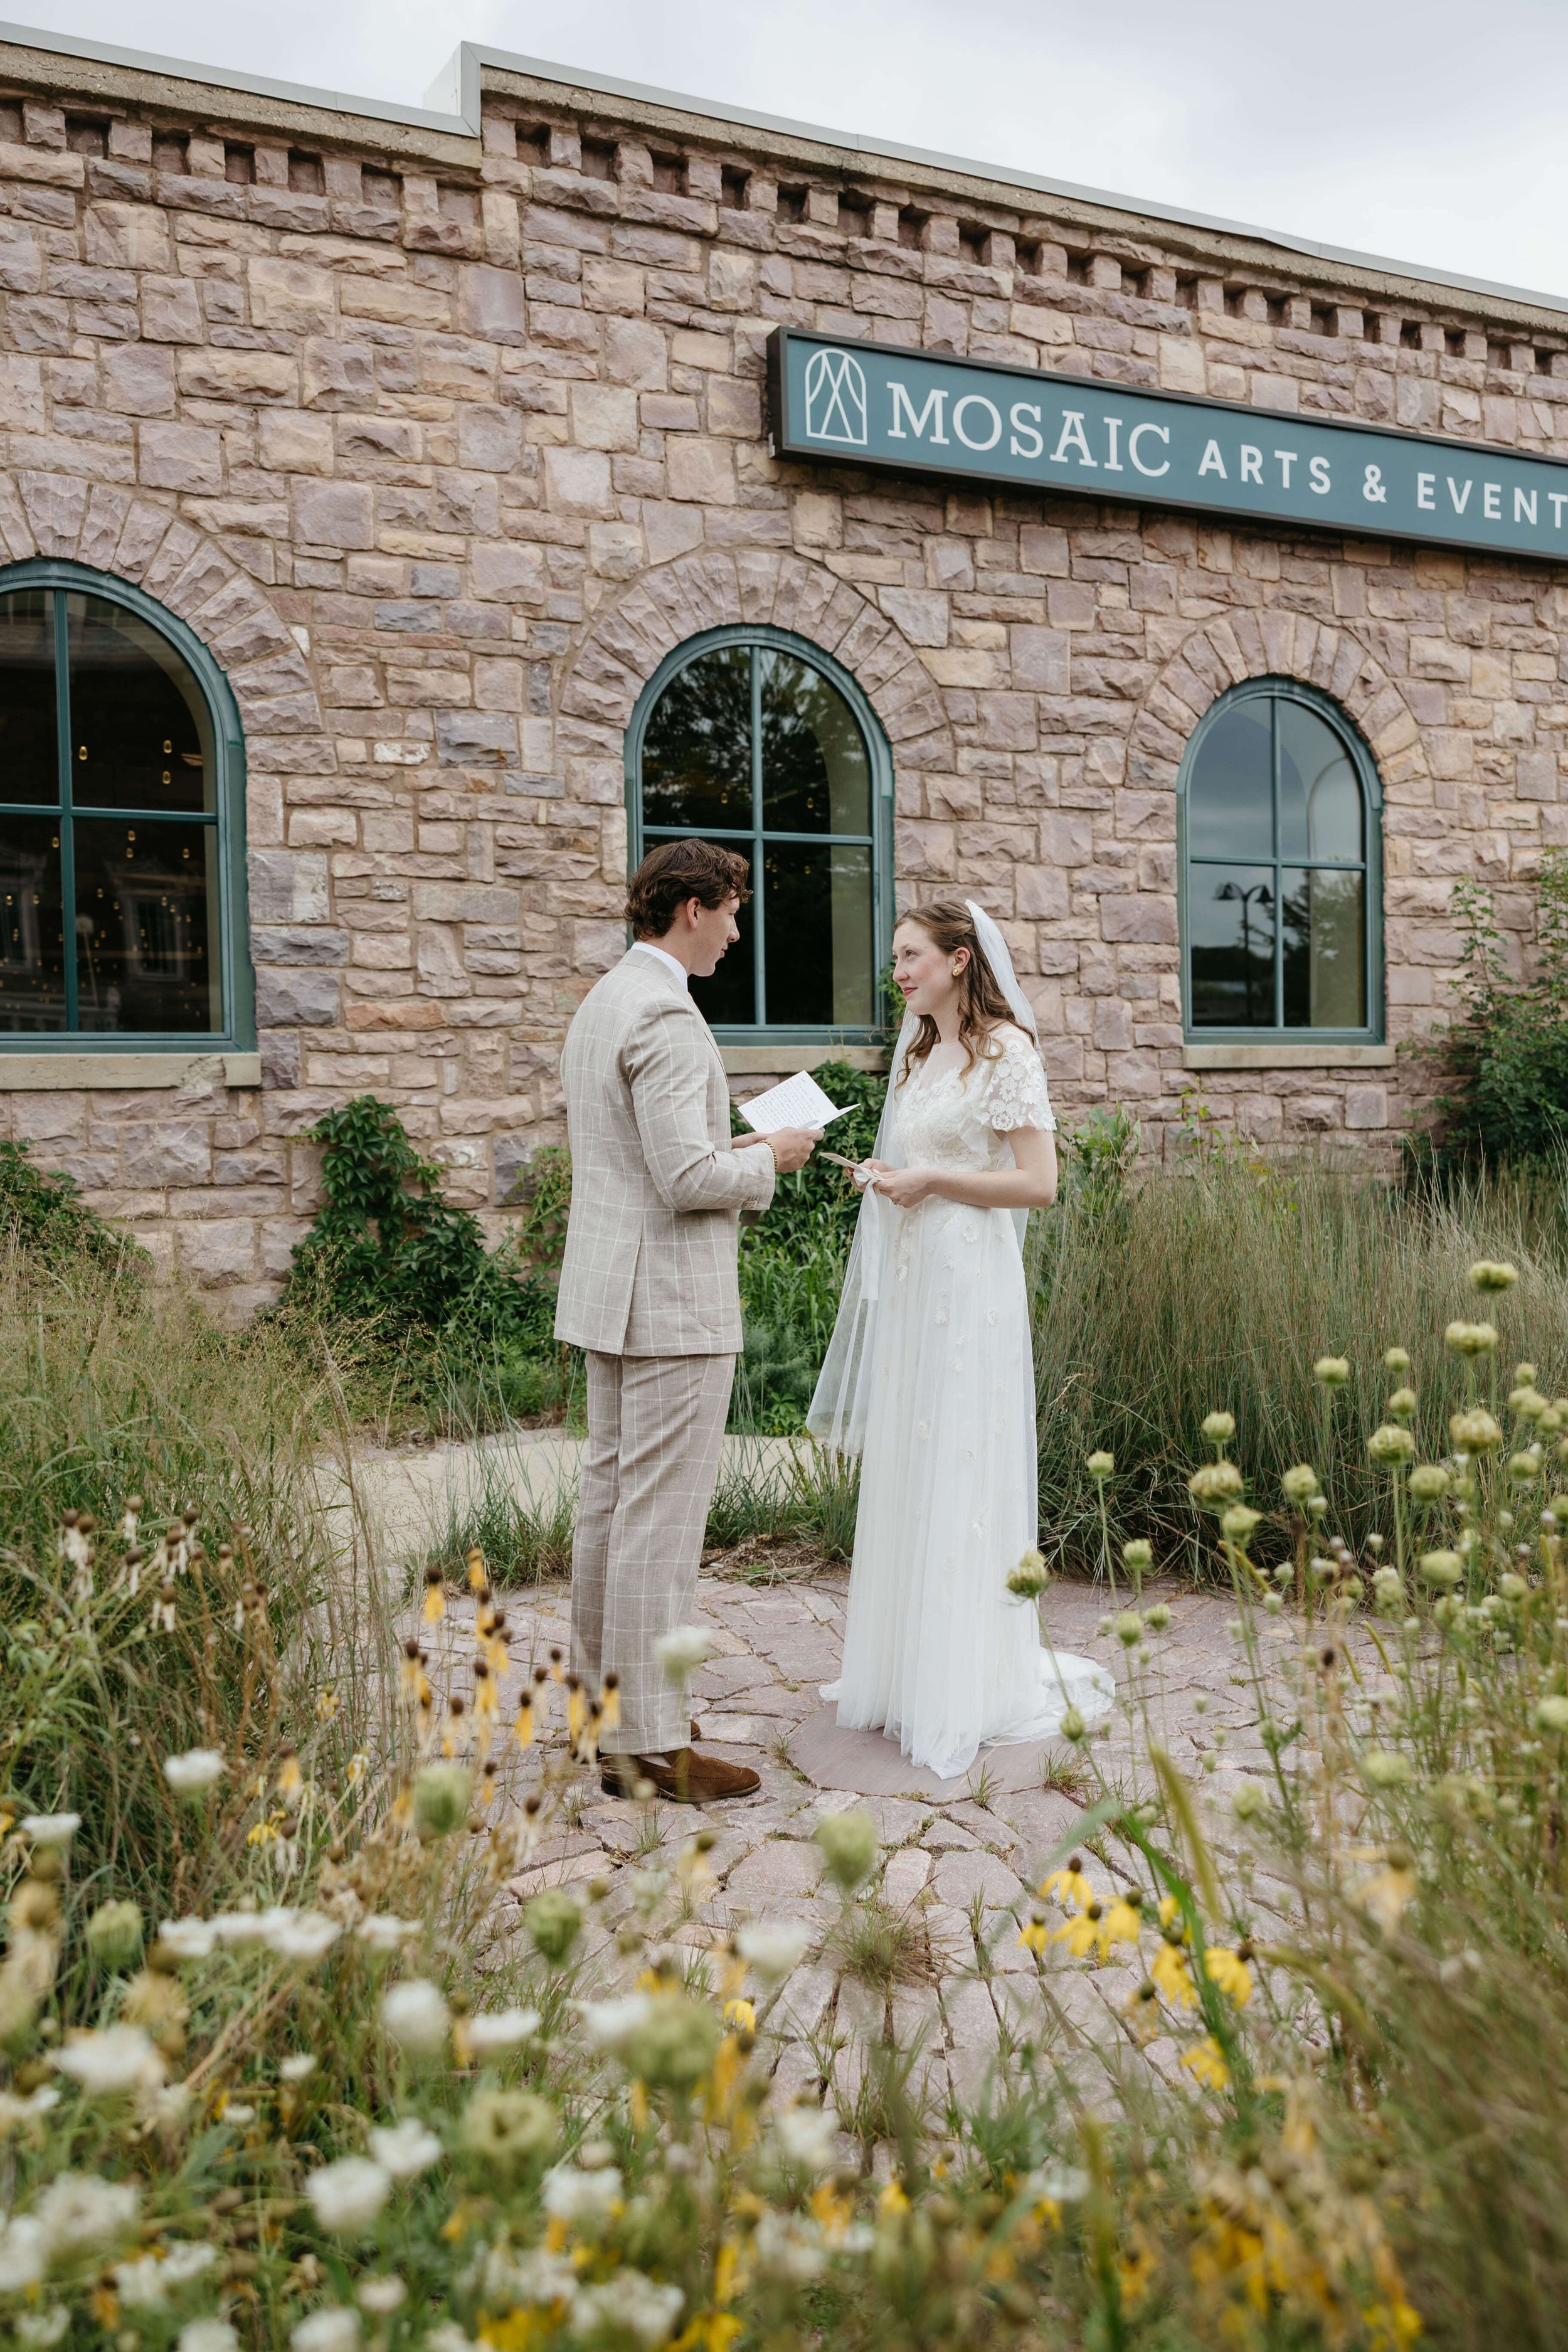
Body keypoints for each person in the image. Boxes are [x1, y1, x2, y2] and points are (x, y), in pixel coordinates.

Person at [808, 898, 1113, 1782]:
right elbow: (919, 1160)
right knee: (913, 1457)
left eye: (910, 955)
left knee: (961, 1463)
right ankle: (907, 1671)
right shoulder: (920, 1052)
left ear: (958, 957)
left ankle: (966, 1680)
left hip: (971, 1284)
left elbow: (1039, 1183)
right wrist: (885, 1175)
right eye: (895, 957)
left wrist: (934, 1176)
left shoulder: (1006, 1051)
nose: (898, 970)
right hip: (916, 1282)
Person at [554, 838, 820, 1804]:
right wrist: (774, 1159)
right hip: (667, 1302)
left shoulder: (607, 999)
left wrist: (742, 1141)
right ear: (693, 907)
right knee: (657, 1527)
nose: (738, 930)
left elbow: (647, 1152)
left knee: (612, 1507)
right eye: (733, 910)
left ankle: (605, 1711)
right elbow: (686, 1178)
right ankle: (653, 1747)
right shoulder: (667, 1013)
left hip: (613, 1291)